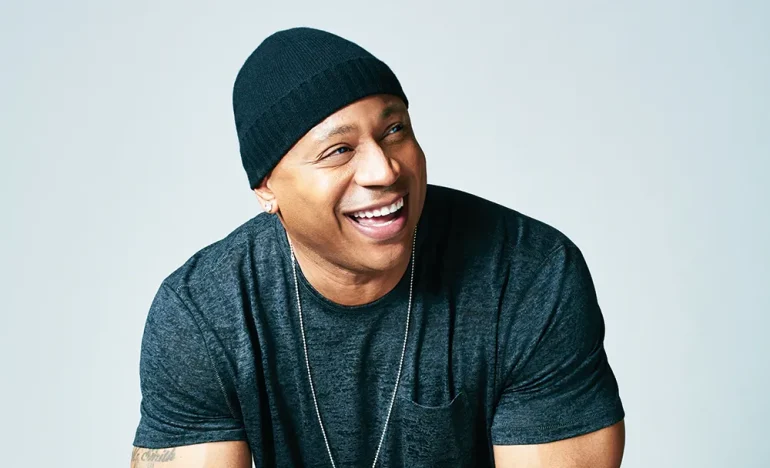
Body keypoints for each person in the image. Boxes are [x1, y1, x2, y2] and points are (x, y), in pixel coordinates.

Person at [130, 26, 625, 468]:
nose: (384, 170)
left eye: (394, 131)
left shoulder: (526, 275)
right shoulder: (204, 314)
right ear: (266, 189)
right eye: (338, 151)